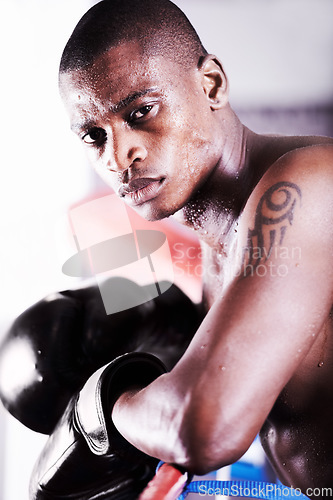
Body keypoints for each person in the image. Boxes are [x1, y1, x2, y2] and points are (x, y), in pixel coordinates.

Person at [1, 0, 333, 498]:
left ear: (212, 84)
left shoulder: (303, 188)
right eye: (94, 136)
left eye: (141, 112)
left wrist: (98, 406)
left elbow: (204, 427)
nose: (119, 157)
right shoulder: (217, 242)